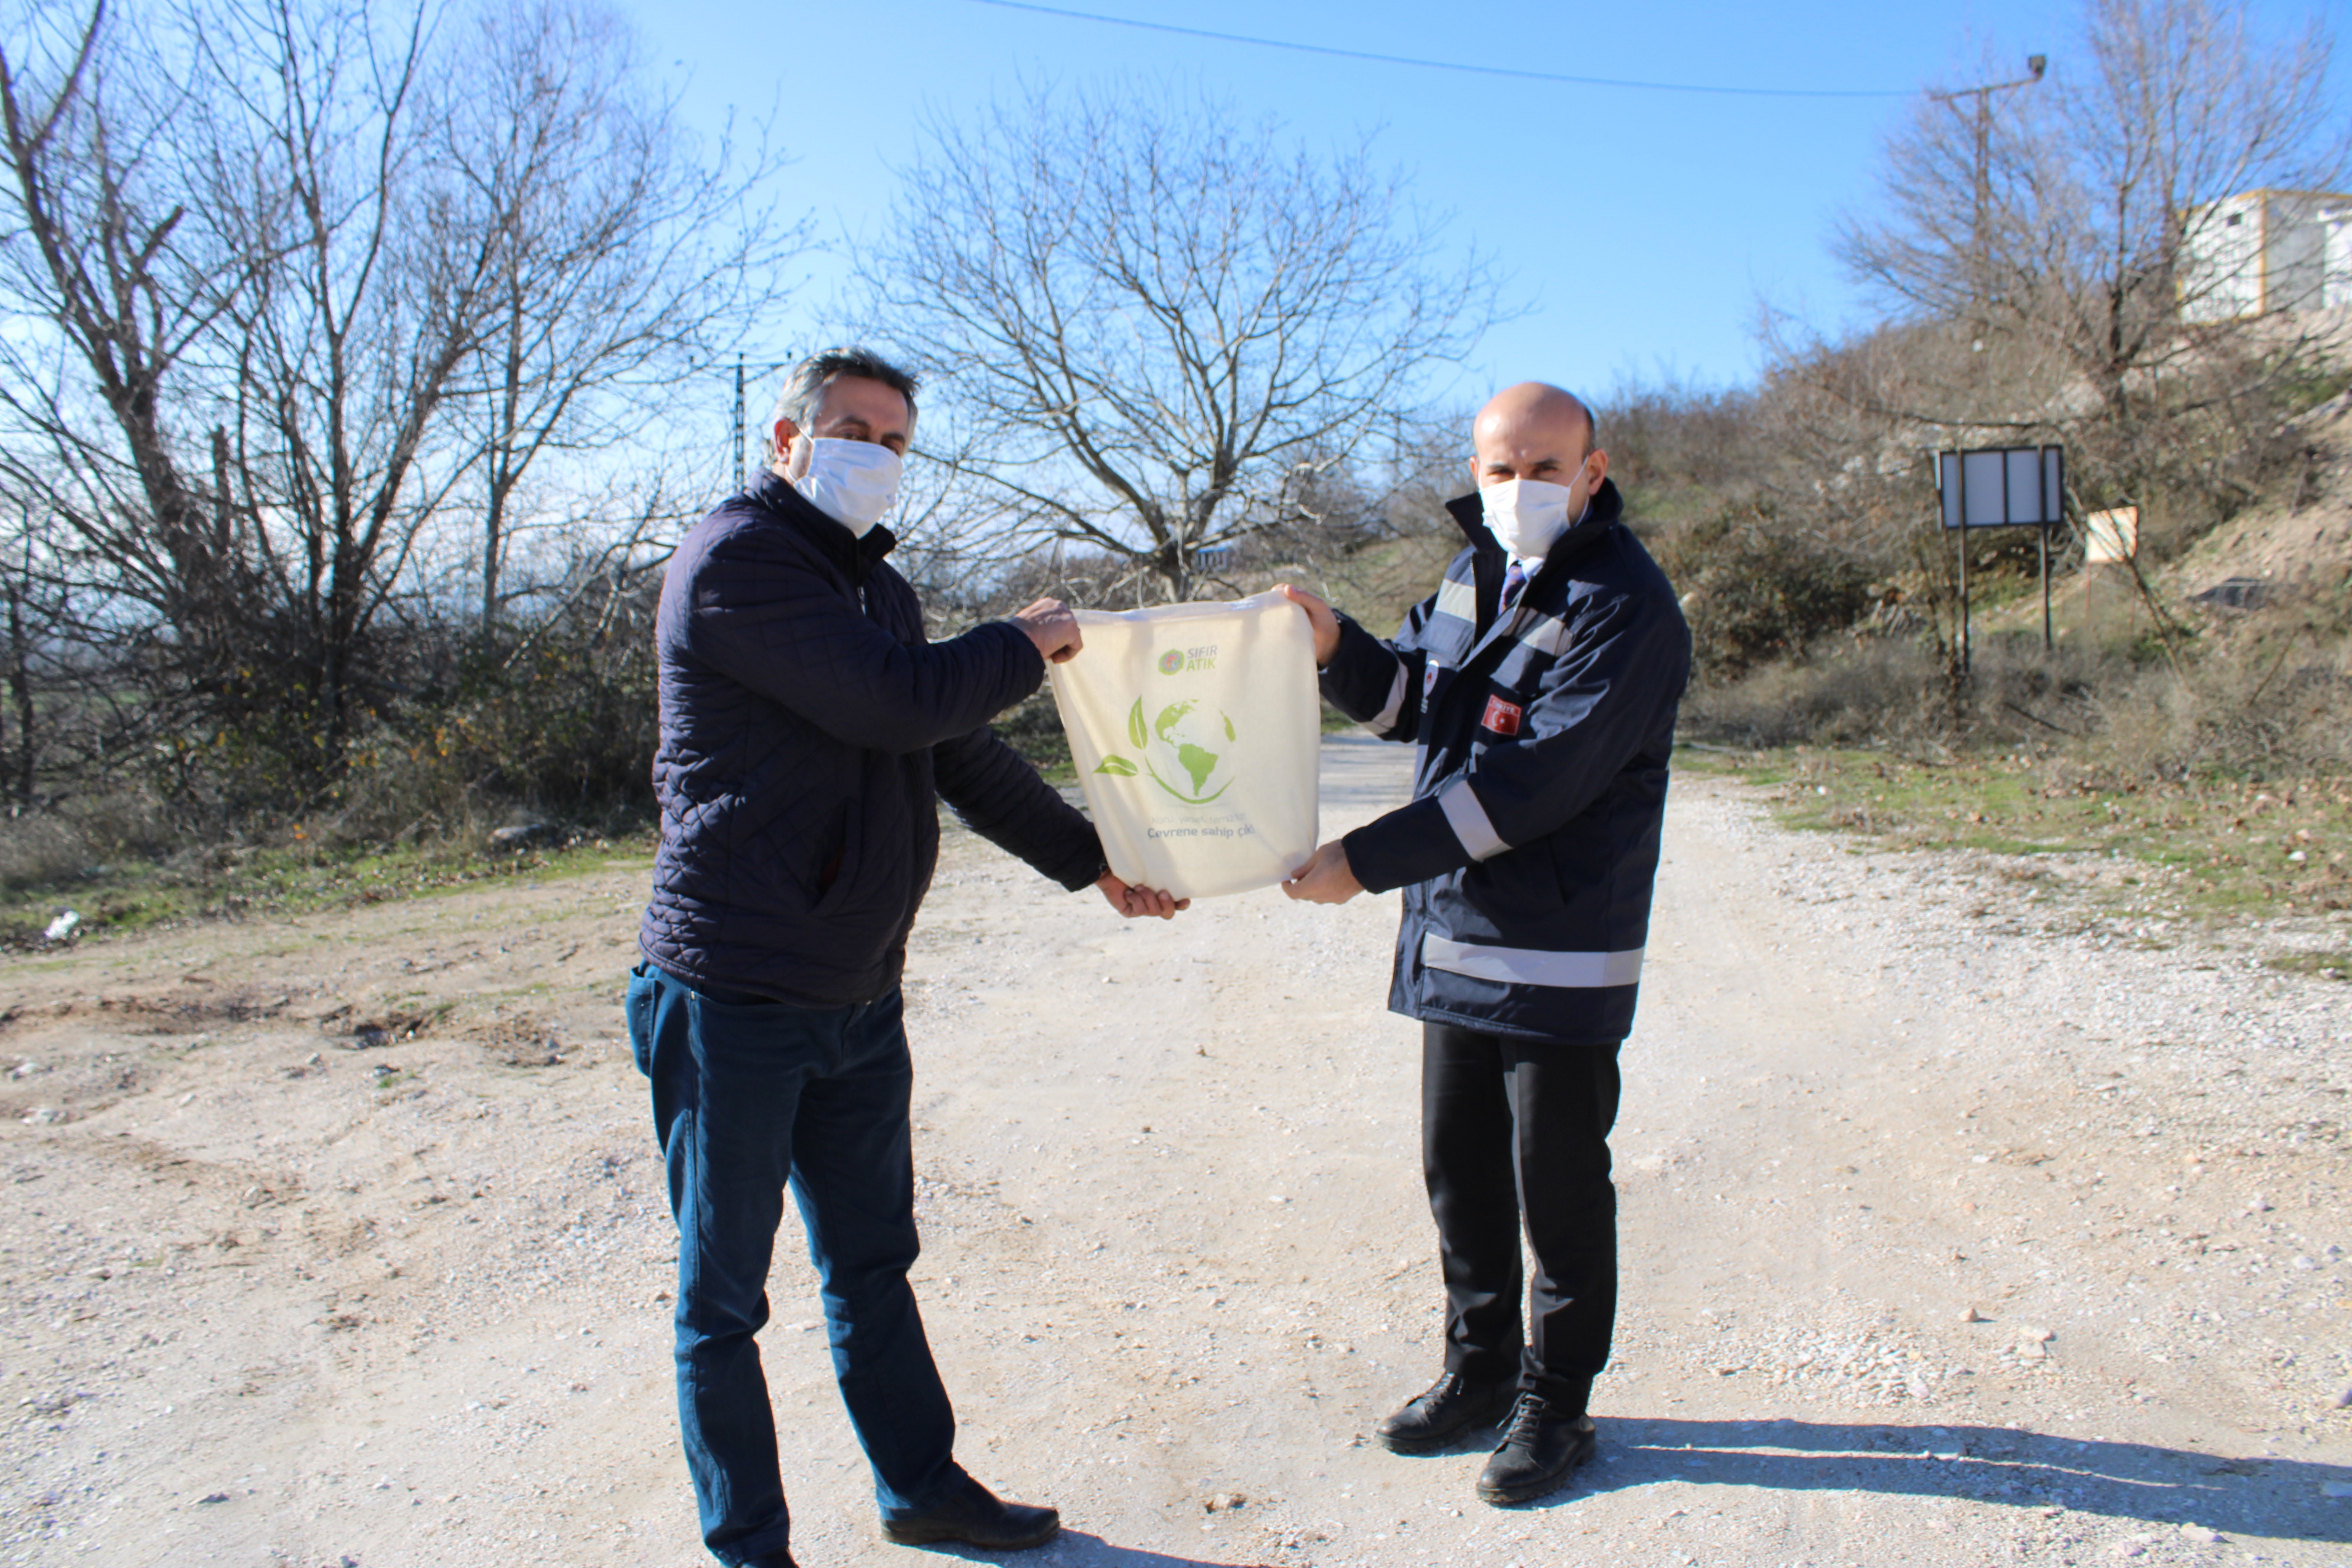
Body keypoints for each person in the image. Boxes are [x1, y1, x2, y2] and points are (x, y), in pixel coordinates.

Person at [628, 345, 1185, 1568]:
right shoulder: (739, 559)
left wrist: (1096, 857)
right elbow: (894, 701)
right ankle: (749, 1548)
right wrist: (1025, 638)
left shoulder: (877, 589)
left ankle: (922, 1489)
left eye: (894, 440)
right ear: (785, 439)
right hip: (731, 994)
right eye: (849, 428)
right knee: (723, 1300)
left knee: (872, 1260)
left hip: (856, 994)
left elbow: (952, 749)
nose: (873, 454)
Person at [1278, 382, 1690, 1506]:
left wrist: (1364, 861)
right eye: (1500, 470)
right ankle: (1480, 1369)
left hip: (1558, 952)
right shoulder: (1476, 575)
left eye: (1545, 468)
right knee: (1458, 1175)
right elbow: (1418, 702)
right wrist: (1332, 646)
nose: (1519, 490)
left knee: (1556, 1187)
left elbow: (1537, 782)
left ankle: (1557, 1406)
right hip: (1456, 941)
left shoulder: (1625, 604)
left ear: (1593, 473)